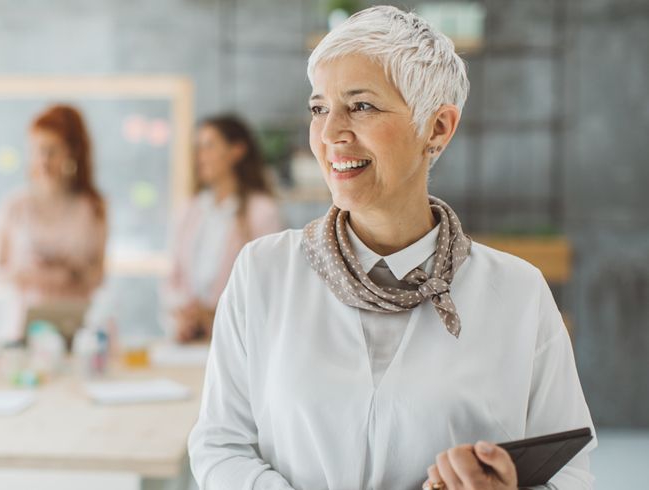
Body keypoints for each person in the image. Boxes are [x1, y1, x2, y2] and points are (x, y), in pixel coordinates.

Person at [188, 6, 595, 490]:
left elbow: (569, 474)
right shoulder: (263, 271)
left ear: (438, 128)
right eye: (319, 108)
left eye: (361, 106)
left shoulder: (519, 293)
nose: (330, 134)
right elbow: (220, 445)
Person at [164, 115, 283, 343]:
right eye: (198, 147)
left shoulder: (262, 212)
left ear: (236, 151)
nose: (200, 156)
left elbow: (267, 284)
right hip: (190, 338)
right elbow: (174, 277)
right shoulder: (189, 210)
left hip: (239, 339)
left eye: (209, 146)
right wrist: (184, 313)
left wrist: (213, 314)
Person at [0, 104, 107, 343]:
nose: (44, 160)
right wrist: (32, 273)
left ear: (72, 152)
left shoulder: (92, 208)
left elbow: (99, 276)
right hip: (21, 329)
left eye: (52, 151)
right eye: (38, 150)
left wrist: (72, 272)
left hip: (74, 329)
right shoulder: (15, 206)